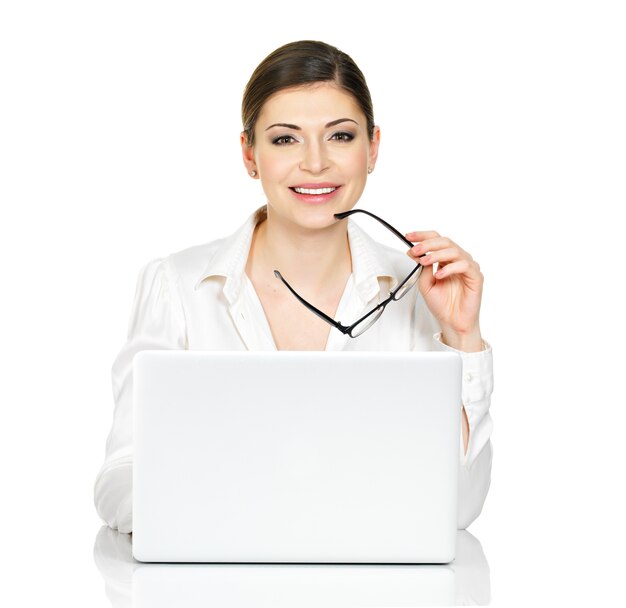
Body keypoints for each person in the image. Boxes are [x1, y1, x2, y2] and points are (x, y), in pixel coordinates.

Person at [93, 39, 493, 534]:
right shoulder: (177, 286)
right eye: (286, 139)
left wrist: (462, 335)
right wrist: (243, 514)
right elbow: (119, 482)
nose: (316, 163)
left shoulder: (420, 292)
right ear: (249, 154)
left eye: (340, 137)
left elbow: (457, 509)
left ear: (373, 148)